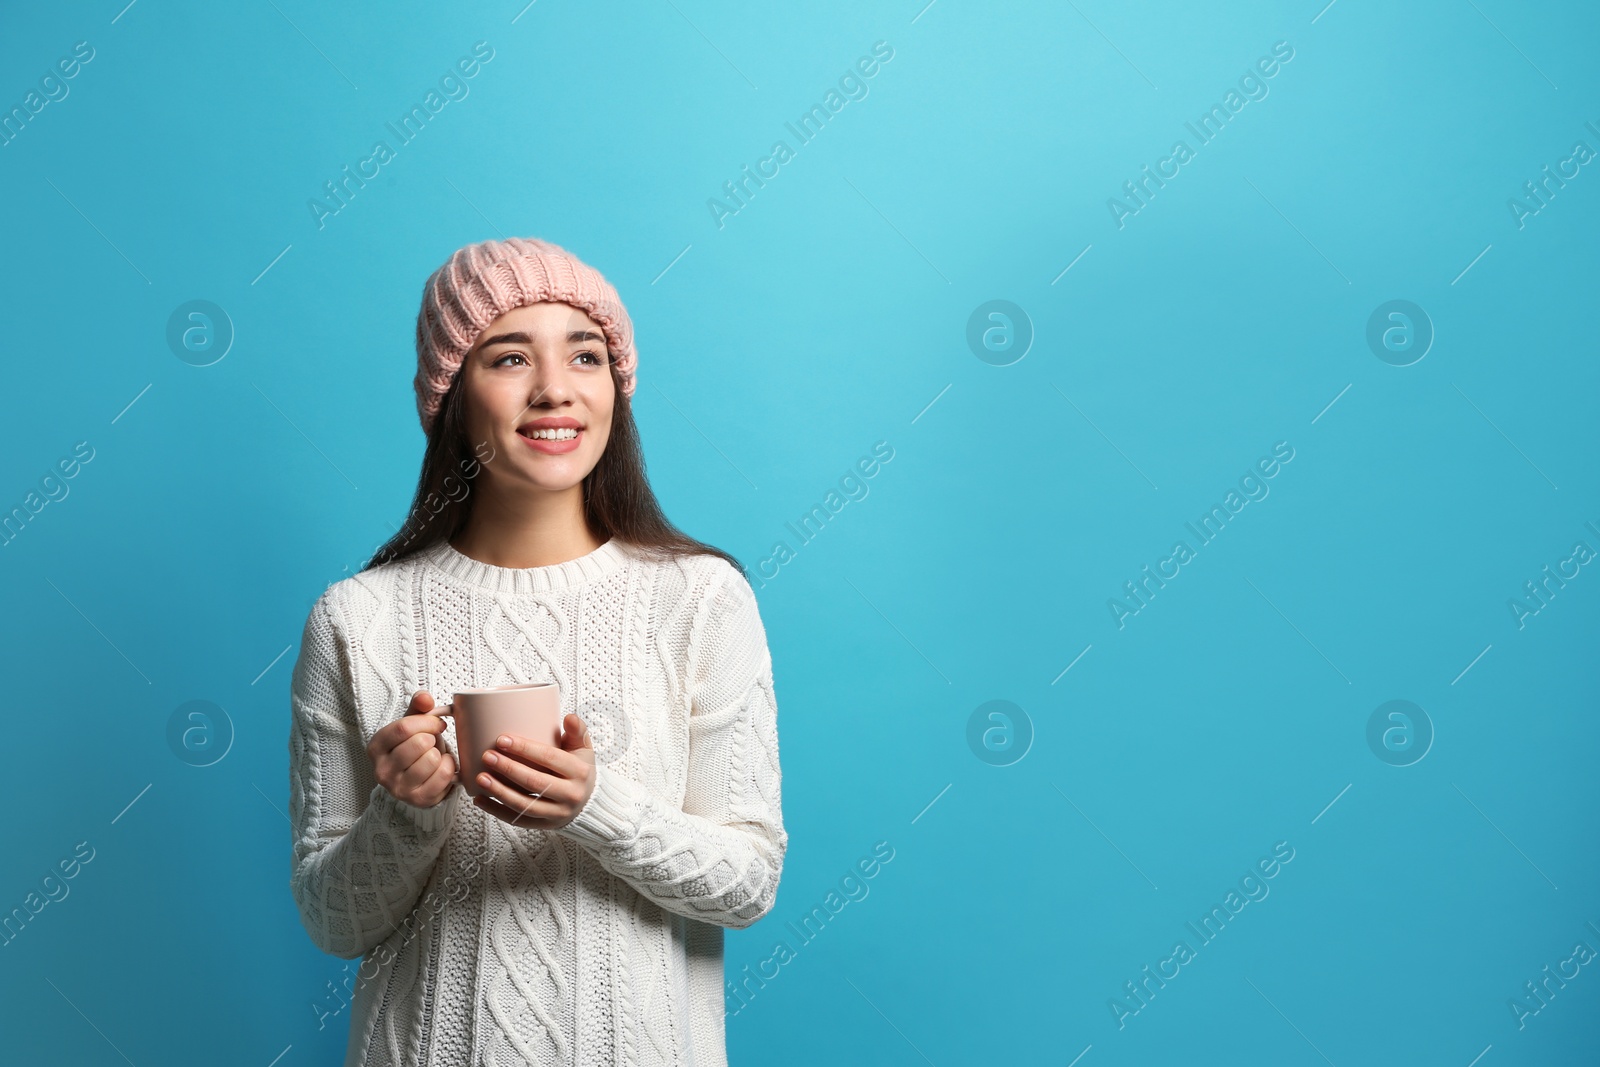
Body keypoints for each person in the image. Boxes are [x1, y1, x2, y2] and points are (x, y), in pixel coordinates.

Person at [287, 236, 787, 1066]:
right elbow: (333, 923)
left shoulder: (701, 597)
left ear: (616, 390)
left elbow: (748, 882)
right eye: (510, 356)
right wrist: (407, 812)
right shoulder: (356, 617)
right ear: (452, 394)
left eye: (586, 355)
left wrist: (597, 804)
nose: (556, 389)